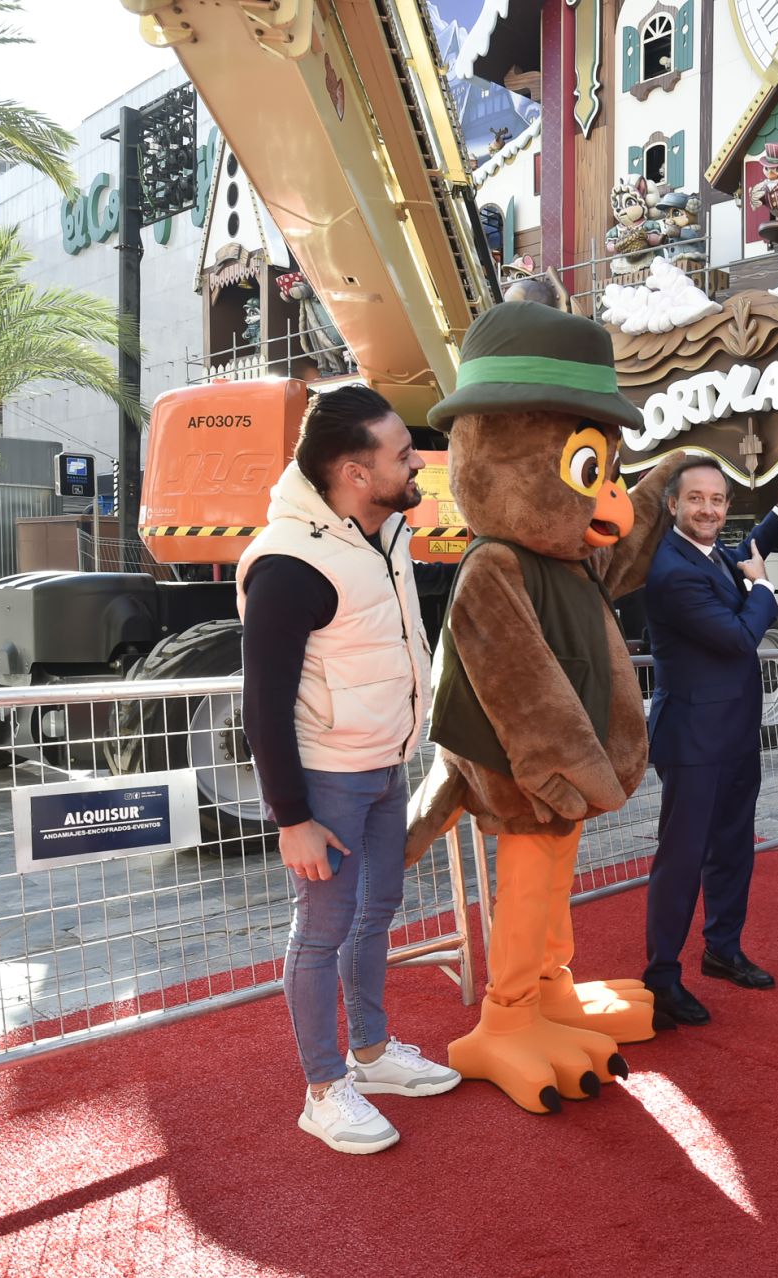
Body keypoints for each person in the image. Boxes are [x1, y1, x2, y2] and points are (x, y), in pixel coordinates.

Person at [239, 385, 459, 1154]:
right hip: (329, 778)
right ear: (354, 474)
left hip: (386, 763)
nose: (417, 463)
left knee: (379, 908)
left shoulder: (386, 531)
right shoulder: (289, 563)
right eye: (402, 454)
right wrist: (291, 818)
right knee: (324, 928)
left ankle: (370, 1053)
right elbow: (262, 705)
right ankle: (323, 1087)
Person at [640, 460, 778, 1025]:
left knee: (734, 847)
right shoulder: (671, 570)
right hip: (691, 739)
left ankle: (722, 950)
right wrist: (763, 588)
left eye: (718, 499)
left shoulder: (707, 554)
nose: (708, 509)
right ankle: (661, 977)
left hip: (735, 734)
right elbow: (737, 637)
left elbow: (742, 549)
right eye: (696, 499)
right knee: (682, 859)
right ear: (673, 506)